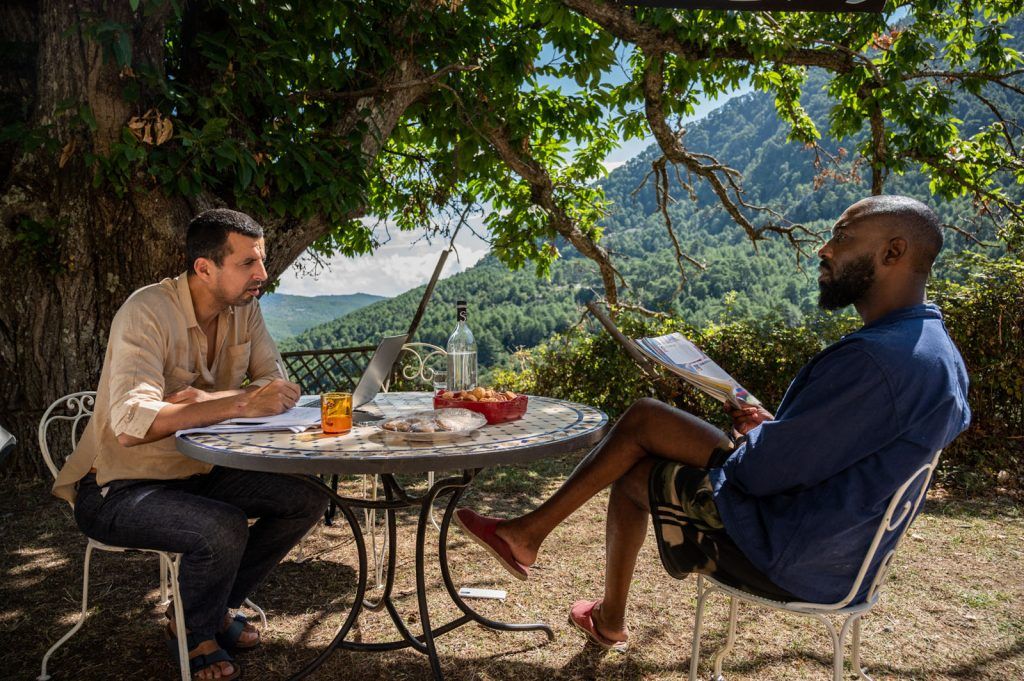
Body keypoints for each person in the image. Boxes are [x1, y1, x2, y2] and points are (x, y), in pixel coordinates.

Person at [454, 195, 971, 651]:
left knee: (642, 423)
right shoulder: (932, 352)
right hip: (843, 550)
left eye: (841, 236)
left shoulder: (875, 361)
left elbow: (762, 474)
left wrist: (759, 438)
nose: (825, 249)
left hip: (792, 549)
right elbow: (848, 445)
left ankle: (530, 540)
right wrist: (772, 426)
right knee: (635, 464)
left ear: (893, 252)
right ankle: (598, 609)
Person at [52, 209, 328, 680]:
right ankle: (193, 631)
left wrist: (218, 398)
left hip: (198, 473)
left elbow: (275, 384)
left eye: (261, 261)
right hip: (117, 487)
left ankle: (216, 608)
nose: (262, 274)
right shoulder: (146, 312)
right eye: (247, 264)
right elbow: (131, 423)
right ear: (204, 268)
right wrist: (239, 404)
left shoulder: (246, 309)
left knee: (308, 498)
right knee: (221, 525)